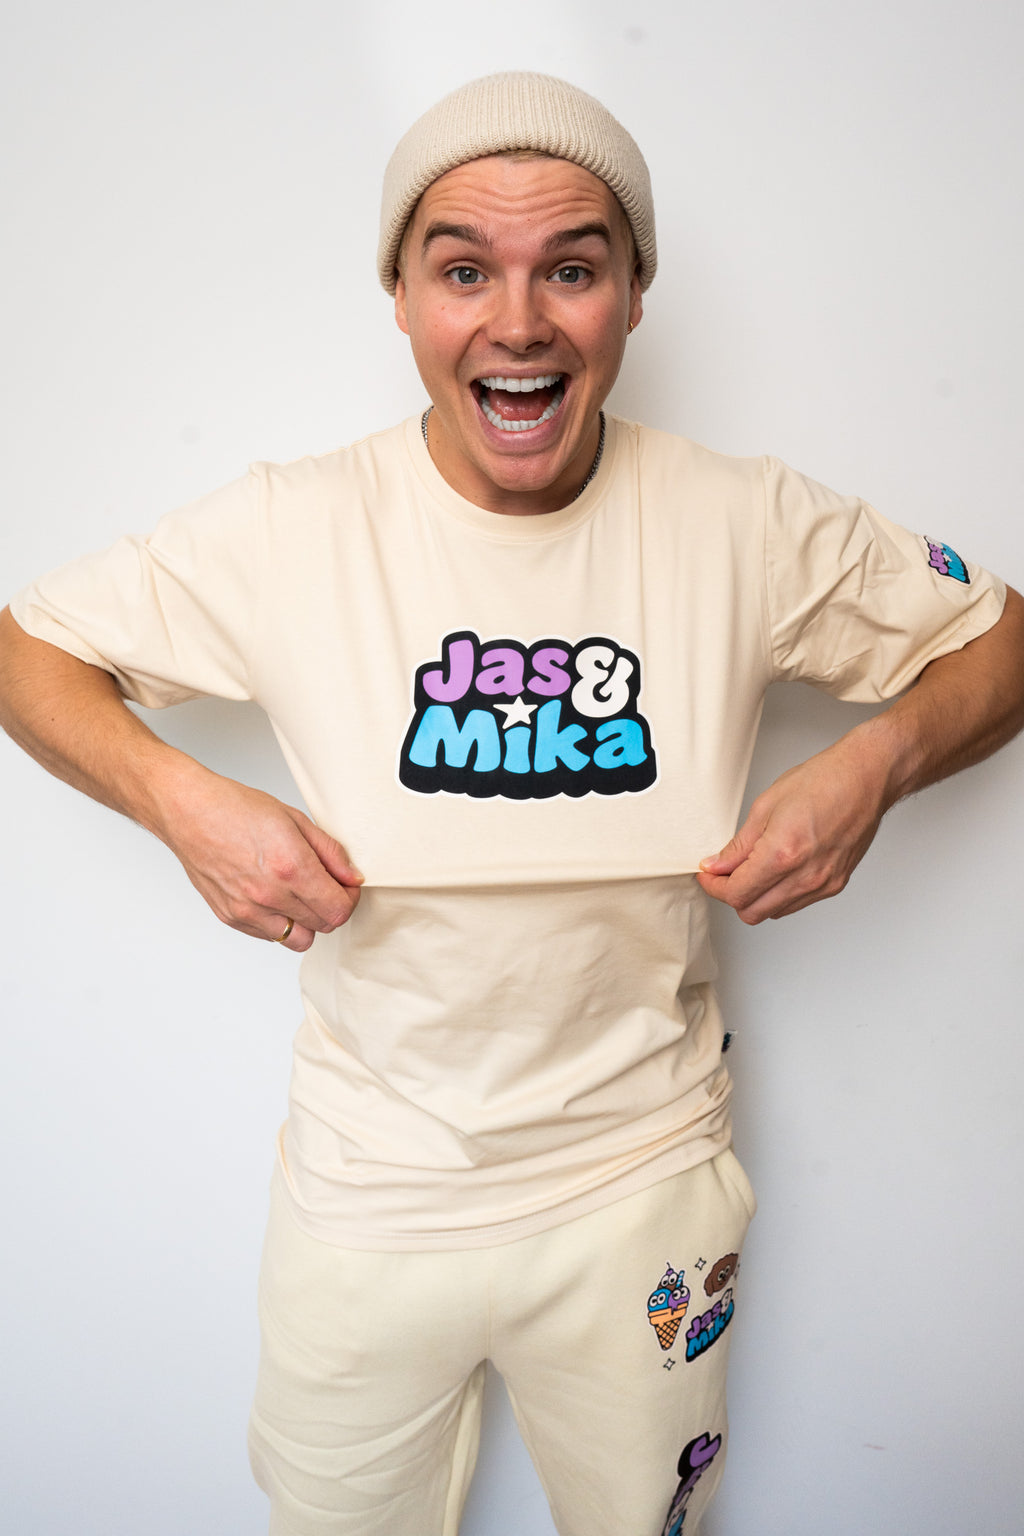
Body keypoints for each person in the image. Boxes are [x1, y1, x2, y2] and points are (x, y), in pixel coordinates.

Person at [1, 71, 1022, 1536]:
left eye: (574, 269)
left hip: (642, 1182)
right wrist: (185, 804)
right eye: (465, 269)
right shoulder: (291, 526)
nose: (521, 322)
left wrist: (873, 767)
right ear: (403, 298)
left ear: (635, 296)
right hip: (368, 1197)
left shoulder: (740, 520)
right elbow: (28, 647)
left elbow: (998, 638)